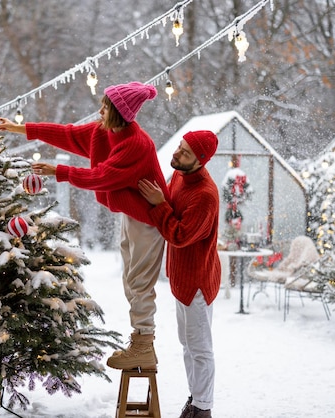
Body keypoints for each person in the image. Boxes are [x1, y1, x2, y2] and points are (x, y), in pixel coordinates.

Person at [0, 81, 169, 370]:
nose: (99, 110)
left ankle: (143, 345)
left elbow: (100, 176)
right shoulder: (104, 132)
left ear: (119, 113)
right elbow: (66, 134)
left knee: (140, 282)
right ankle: (139, 339)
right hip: (132, 214)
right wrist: (18, 128)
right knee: (131, 280)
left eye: (106, 107)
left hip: (148, 221)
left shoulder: (135, 145)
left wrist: (58, 171)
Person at [138, 130, 221, 418]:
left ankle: (203, 409)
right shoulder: (181, 176)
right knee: (188, 344)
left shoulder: (205, 195)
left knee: (200, 347)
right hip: (181, 279)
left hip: (197, 282)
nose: (177, 154)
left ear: (200, 160)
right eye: (179, 147)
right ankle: (196, 398)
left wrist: (159, 204)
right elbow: (171, 204)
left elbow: (179, 234)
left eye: (185, 152)